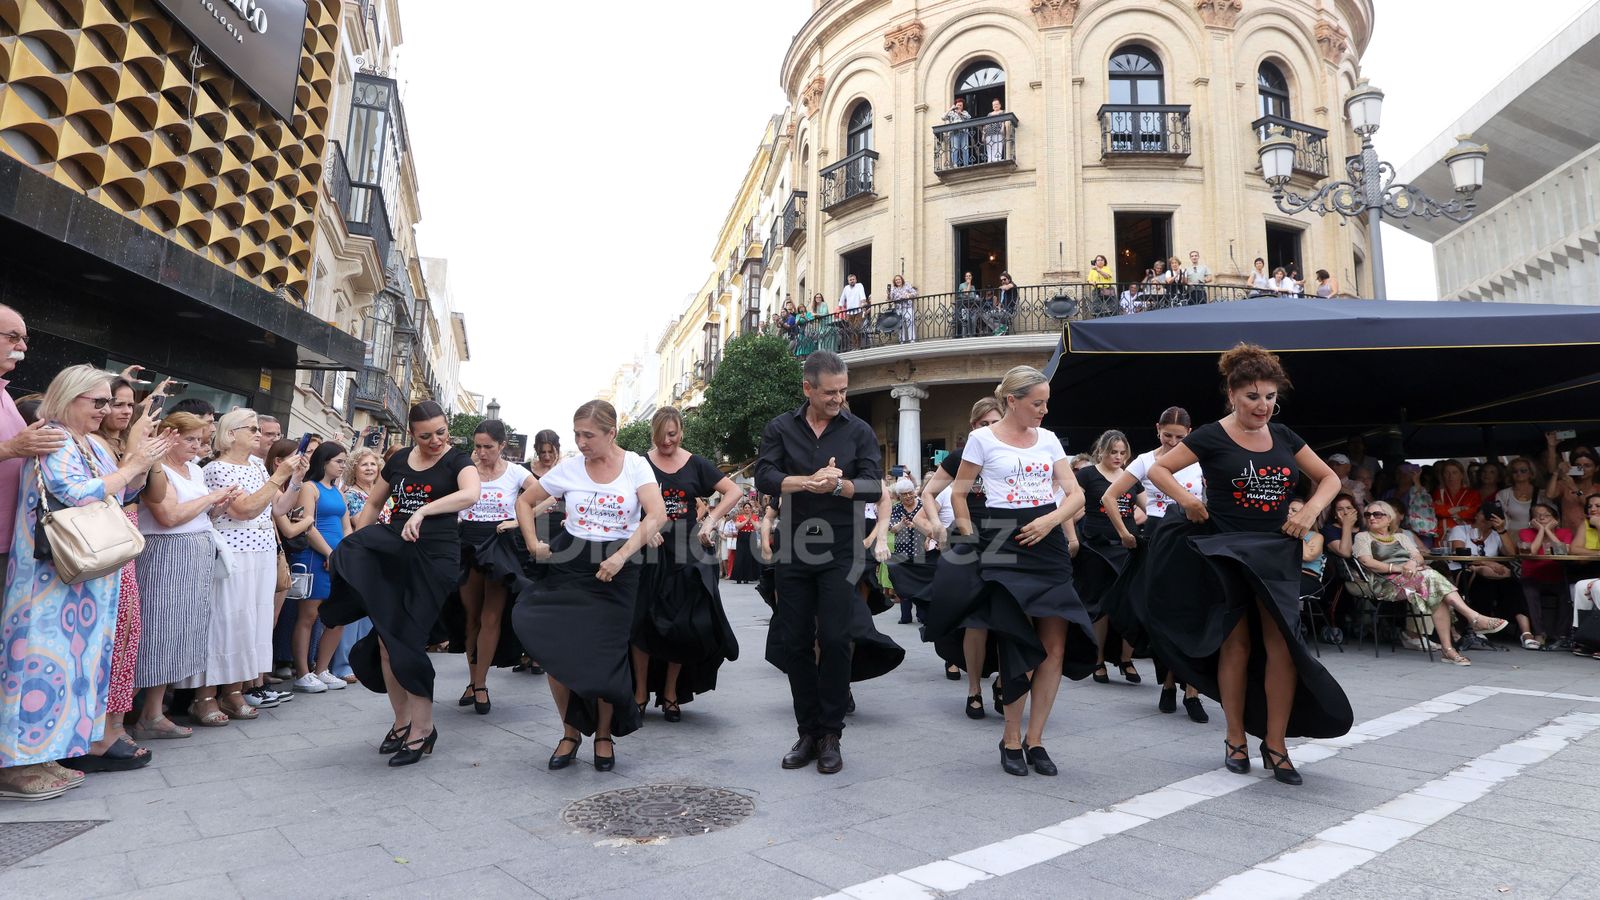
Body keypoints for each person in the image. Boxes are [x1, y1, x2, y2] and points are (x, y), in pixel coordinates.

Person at [1130, 344, 1352, 785]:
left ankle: (1276, 745)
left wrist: (1308, 512)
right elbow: (1158, 472)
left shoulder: (1286, 436)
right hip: (1227, 550)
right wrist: (1189, 501)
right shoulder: (1210, 434)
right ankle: (1235, 739)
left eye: (1270, 397)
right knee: (1236, 646)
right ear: (1232, 394)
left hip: (1276, 552)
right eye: (1253, 396)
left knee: (1283, 649)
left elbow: (1329, 478)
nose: (1263, 406)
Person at [0, 366, 169, 798]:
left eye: (108, 402)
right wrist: (132, 462)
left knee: (75, 669)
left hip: (83, 580)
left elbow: (119, 493)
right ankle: (16, 763)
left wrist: (135, 464)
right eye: (98, 402)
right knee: (37, 665)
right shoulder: (54, 437)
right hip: (48, 579)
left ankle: (48, 753)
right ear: (69, 397)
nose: (107, 410)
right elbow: (77, 493)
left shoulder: (89, 441)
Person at [927, 366, 1097, 777]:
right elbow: (959, 495)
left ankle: (1036, 739)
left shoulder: (1050, 440)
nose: (1044, 410)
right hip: (1002, 538)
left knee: (1054, 644)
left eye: (1046, 402)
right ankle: (1010, 737)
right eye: (1037, 402)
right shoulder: (982, 439)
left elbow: (1076, 495)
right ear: (1012, 401)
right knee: (1017, 641)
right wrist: (971, 538)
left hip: (1048, 537)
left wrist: (1051, 521)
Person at [321, 401, 479, 767]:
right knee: (386, 642)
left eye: (441, 432)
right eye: (426, 436)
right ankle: (401, 722)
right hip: (395, 551)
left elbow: (471, 494)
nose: (436, 440)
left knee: (406, 638)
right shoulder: (399, 460)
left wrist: (424, 510)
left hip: (435, 557)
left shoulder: (458, 461)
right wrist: (359, 552)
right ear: (412, 434)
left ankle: (424, 728)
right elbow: (373, 505)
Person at [512, 400, 666, 772]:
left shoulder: (634, 465)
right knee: (555, 648)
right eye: (577, 434)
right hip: (570, 564)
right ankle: (569, 732)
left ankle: (602, 734)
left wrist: (621, 556)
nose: (581, 442)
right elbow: (524, 501)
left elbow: (657, 514)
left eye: (589, 435)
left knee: (606, 657)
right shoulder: (569, 469)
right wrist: (533, 543)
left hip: (618, 569)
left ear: (611, 433)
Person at [755, 351, 882, 774]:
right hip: (793, 548)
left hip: (841, 550)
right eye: (830, 392)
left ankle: (831, 733)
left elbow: (872, 486)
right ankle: (806, 730)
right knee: (793, 641)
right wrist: (805, 482)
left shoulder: (858, 430)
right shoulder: (780, 428)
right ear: (808, 388)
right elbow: (765, 476)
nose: (839, 399)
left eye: (843, 391)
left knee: (835, 637)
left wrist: (838, 485)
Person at [183, 411, 304, 726]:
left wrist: (296, 480)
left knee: (251, 623)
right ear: (231, 433)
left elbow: (278, 506)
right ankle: (205, 697)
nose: (259, 433)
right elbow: (244, 510)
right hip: (233, 553)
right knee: (224, 622)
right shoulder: (217, 468)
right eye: (252, 428)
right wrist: (279, 477)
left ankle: (234, 691)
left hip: (261, 552)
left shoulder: (255, 467)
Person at [131, 412, 237, 743]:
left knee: (178, 633)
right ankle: (121, 716)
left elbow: (198, 513)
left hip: (195, 554)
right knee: (155, 630)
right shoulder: (154, 467)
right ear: (169, 435)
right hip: (165, 554)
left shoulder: (192, 469)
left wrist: (218, 506)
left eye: (201, 440)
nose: (197, 446)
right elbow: (168, 516)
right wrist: (211, 499)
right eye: (190, 439)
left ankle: (153, 712)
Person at [631, 407, 742, 722]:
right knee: (642, 624)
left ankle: (670, 693)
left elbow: (733, 491)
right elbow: (627, 502)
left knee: (680, 625)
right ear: (653, 433)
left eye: (673, 433)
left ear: (681, 432)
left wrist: (710, 521)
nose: (668, 440)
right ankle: (639, 692)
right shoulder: (639, 464)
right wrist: (643, 530)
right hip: (649, 552)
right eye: (662, 434)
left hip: (686, 553)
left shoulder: (696, 464)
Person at [1103, 406, 1209, 721]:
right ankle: (1168, 682)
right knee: (1161, 617)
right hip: (1157, 541)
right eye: (1167, 436)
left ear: (1190, 433)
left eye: (1179, 437)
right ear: (1157, 430)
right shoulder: (1146, 460)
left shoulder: (1201, 460)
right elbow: (1110, 496)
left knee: (1191, 616)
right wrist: (1124, 533)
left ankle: (1190, 689)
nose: (1174, 443)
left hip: (1191, 542)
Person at [918, 397, 1004, 718]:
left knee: (1009, 617)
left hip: (1005, 539)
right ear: (973, 427)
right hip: (967, 541)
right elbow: (928, 492)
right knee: (976, 619)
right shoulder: (959, 457)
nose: (991, 429)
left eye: (996, 422)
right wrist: (938, 526)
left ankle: (1003, 681)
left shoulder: (1011, 456)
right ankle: (974, 690)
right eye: (984, 424)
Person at [450, 420, 537, 715]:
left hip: (500, 543)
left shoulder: (515, 472)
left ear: (502, 446)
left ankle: (482, 683)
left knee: (491, 616)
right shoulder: (466, 471)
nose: (482, 452)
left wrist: (519, 519)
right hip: (468, 541)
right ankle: (472, 680)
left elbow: (548, 495)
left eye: (488, 446)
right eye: (478, 446)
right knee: (471, 617)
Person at [1354, 501, 1507, 666]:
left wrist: (1412, 564)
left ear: (1389, 518)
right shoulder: (1363, 536)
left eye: (1377, 514)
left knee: (1436, 593)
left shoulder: (1401, 537)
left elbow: (1418, 556)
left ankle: (1449, 649)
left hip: (1412, 578)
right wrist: (1398, 568)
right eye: (1367, 514)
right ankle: (1473, 618)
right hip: (1384, 583)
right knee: (1431, 577)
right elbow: (1366, 562)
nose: (1371, 518)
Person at [1074, 430, 1145, 686]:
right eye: (1113, 451)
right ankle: (1098, 659)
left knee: (1130, 602)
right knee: (1100, 605)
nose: (1118, 456)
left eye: (1122, 452)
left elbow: (1149, 508)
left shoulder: (1131, 478)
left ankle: (1127, 659)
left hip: (1127, 548)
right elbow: (1070, 504)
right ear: (1101, 451)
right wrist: (1071, 537)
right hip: (1097, 548)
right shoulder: (1088, 475)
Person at [284, 442, 353, 693]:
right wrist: (329, 553)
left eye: (345, 462)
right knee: (308, 616)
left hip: (336, 557)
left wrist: (342, 554)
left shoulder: (339, 492)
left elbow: (347, 527)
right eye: (339, 461)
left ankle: (322, 668)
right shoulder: (309, 488)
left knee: (338, 616)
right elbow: (307, 525)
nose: (343, 466)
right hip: (314, 556)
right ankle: (303, 672)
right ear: (324, 461)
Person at [1449, 504, 1531, 646]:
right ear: (1476, 515)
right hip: (1464, 571)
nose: (1487, 519)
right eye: (1484, 515)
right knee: (1483, 584)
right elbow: (1459, 553)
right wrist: (1490, 563)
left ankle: (1526, 632)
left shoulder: (1496, 535)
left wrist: (1501, 530)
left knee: (1513, 585)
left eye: (1492, 517)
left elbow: (1511, 554)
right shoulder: (1461, 529)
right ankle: (1480, 628)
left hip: (1491, 574)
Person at [1518, 501, 1575, 648]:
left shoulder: (1565, 533)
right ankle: (1539, 633)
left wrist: (1549, 531)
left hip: (1556, 576)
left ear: (1556, 519)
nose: (1542, 518)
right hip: (1533, 576)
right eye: (1537, 516)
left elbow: (1563, 552)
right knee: (1530, 593)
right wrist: (1542, 531)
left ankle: (1561, 635)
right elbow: (1532, 551)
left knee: (1567, 595)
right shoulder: (1525, 532)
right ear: (1532, 520)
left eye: (1546, 515)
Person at [1545, 436, 1598, 534]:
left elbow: (1589, 506)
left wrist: (1575, 488)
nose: (1582, 469)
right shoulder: (1566, 484)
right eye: (1578, 466)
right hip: (1569, 537)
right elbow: (1549, 495)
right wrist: (1556, 472)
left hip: (1593, 537)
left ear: (1596, 468)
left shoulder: (1597, 488)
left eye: (1587, 466)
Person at [1433, 459, 1480, 544]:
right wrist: (1461, 508)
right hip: (1442, 537)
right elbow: (1438, 511)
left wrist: (1447, 511)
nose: (1450, 476)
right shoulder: (1438, 493)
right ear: (1443, 475)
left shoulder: (1472, 493)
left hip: (1466, 537)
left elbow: (1474, 513)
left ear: (1462, 475)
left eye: (1454, 472)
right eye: (1447, 473)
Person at [1494, 457, 1540, 535]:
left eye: (1523, 471)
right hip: (1513, 535)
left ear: (1531, 473)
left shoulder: (1541, 493)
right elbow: (1500, 519)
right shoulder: (1503, 494)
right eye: (1515, 471)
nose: (1519, 473)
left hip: (1538, 534)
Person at [838, 274, 866, 351]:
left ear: (856, 280)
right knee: (851, 329)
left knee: (857, 328)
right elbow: (842, 299)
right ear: (848, 281)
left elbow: (862, 296)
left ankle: (858, 346)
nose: (852, 281)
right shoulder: (846, 288)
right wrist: (840, 308)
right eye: (850, 280)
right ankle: (854, 346)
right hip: (849, 313)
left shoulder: (859, 285)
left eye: (853, 279)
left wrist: (863, 304)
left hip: (858, 311)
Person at [941, 96, 972, 166]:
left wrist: (960, 113)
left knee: (965, 149)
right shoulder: (951, 113)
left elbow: (969, 118)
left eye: (961, 105)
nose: (959, 106)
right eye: (958, 105)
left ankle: (966, 164)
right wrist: (950, 109)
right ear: (955, 105)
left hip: (964, 133)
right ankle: (955, 164)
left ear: (963, 106)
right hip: (954, 133)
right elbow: (943, 117)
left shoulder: (965, 112)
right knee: (955, 149)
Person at [956, 272, 979, 337]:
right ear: (965, 278)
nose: (968, 277)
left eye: (969, 276)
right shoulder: (962, 285)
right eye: (967, 276)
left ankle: (973, 335)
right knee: (967, 319)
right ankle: (967, 335)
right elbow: (966, 293)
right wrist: (969, 283)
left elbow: (974, 296)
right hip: (964, 306)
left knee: (974, 320)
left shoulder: (973, 287)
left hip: (972, 306)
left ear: (971, 277)